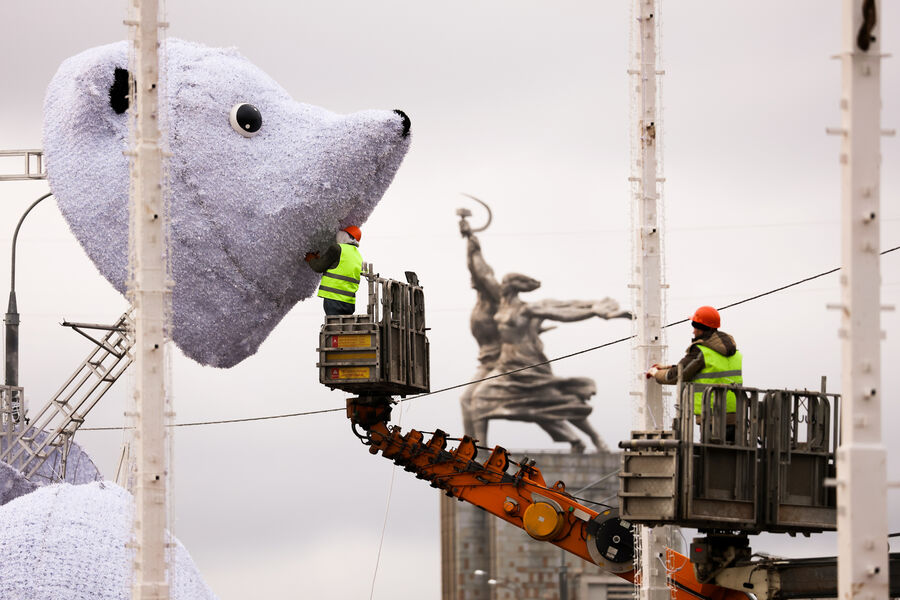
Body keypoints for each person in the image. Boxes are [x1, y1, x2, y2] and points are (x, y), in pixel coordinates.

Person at [647, 305, 742, 440]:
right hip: (736, 415)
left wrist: (656, 373)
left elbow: (678, 375)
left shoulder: (701, 350)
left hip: (712, 416)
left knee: (712, 457)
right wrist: (668, 366)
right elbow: (703, 368)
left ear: (702, 328)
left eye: (695, 326)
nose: (693, 331)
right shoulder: (731, 351)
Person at [305, 226, 363, 316]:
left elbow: (318, 267)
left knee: (334, 326)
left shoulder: (336, 248)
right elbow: (339, 267)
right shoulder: (357, 256)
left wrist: (311, 258)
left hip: (334, 300)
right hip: (349, 303)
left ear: (344, 235)